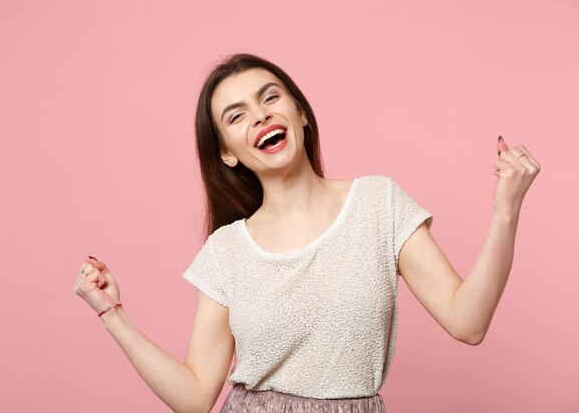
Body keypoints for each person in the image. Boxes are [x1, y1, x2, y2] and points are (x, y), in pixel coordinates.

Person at [73, 53, 541, 413]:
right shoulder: (226, 251)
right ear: (228, 154)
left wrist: (505, 212)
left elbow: (468, 322)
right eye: (236, 116)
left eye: (270, 97)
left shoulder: (378, 203)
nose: (259, 115)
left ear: (301, 114)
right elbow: (195, 397)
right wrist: (113, 315)